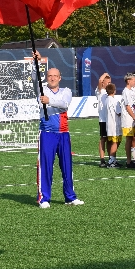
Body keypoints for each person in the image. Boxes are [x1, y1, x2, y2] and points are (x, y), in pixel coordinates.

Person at [36, 67, 84, 208]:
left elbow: (65, 105)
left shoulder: (66, 91)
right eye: (50, 75)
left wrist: (49, 100)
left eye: (55, 76)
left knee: (67, 166)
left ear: (59, 78)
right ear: (46, 77)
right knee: (45, 166)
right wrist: (35, 61)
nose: (52, 78)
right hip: (47, 133)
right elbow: (34, 77)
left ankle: (70, 197)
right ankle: (44, 199)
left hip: (63, 134)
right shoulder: (41, 89)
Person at [121, 73, 135, 167]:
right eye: (134, 80)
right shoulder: (125, 91)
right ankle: (129, 161)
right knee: (129, 139)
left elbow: (134, 103)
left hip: (134, 117)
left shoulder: (132, 91)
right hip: (128, 118)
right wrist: (134, 118)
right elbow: (128, 107)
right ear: (128, 81)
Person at [101, 83, 123, 169]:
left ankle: (112, 159)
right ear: (114, 91)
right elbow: (119, 112)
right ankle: (112, 161)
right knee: (115, 142)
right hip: (115, 124)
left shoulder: (106, 100)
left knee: (111, 142)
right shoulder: (114, 101)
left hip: (109, 124)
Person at [96, 72, 113, 167]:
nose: (109, 84)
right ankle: (102, 159)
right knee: (103, 138)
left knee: (110, 139)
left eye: (110, 82)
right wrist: (105, 74)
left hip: (110, 119)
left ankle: (111, 158)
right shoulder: (100, 91)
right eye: (108, 82)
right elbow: (99, 80)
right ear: (103, 83)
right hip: (103, 119)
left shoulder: (109, 93)